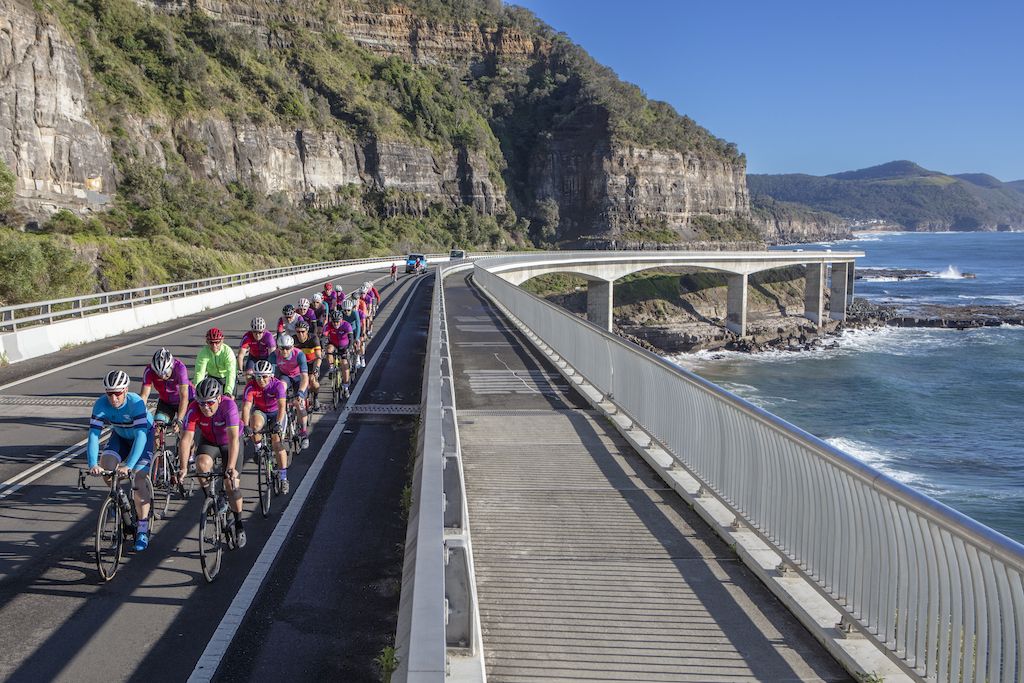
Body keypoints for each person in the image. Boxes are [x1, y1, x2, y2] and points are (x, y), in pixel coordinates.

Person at [87, 370, 155, 552]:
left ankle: (142, 528)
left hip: (143, 437)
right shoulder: (101, 404)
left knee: (139, 478)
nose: (113, 398)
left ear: (125, 390)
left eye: (117, 393)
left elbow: (141, 436)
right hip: (120, 436)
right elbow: (94, 435)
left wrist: (129, 466)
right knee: (106, 468)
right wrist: (93, 464)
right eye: (109, 393)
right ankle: (119, 498)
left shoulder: (136, 403)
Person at [178, 378, 246, 547]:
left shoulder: (228, 406)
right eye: (201, 403)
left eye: (209, 403)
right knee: (201, 464)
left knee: (231, 484)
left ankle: (239, 524)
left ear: (219, 398)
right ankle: (212, 499)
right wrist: (183, 467)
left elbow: (233, 441)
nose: (205, 407)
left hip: (231, 442)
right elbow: (186, 440)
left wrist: (230, 467)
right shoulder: (193, 409)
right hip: (210, 441)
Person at [241, 360, 290, 494]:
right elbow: (246, 407)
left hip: (276, 414)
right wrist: (245, 426)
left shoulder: (278, 385)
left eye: (264, 376)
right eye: (258, 376)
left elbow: (281, 407)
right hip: (261, 411)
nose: (261, 380)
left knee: (277, 443)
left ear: (271, 376)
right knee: (255, 425)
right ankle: (258, 449)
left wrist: (278, 424)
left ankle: (283, 477)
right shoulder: (251, 387)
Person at [140, 347, 193, 430]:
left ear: (171, 366)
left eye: (165, 373)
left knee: (185, 432)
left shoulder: (180, 368)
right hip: (166, 402)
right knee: (157, 429)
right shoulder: (149, 370)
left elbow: (184, 397)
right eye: (158, 373)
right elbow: (144, 395)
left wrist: (179, 420)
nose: (162, 376)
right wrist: (139, 415)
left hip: (186, 401)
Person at [272, 334, 310, 450]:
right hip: (285, 376)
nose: (285, 351)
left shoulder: (299, 354)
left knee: (300, 404)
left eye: (288, 348)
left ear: (292, 347)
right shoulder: (274, 355)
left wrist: (301, 393)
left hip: (298, 377)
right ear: (278, 347)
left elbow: (305, 377)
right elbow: (272, 377)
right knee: (281, 388)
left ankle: (304, 433)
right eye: (282, 348)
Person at [194, 327, 237, 397]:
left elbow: (231, 373)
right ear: (207, 342)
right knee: (210, 399)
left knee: (229, 400)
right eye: (211, 342)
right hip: (213, 378)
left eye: (217, 342)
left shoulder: (228, 352)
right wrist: (196, 389)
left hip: (227, 378)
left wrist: (228, 392)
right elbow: (199, 373)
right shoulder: (203, 352)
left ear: (222, 341)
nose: (214, 346)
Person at [323, 308, 354, 399]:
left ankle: (346, 387)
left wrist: (348, 348)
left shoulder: (346, 325)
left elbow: (351, 338)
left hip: (344, 346)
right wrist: (322, 347)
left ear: (341, 320)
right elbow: (323, 337)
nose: (336, 324)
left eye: (337, 321)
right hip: (333, 344)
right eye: (334, 322)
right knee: (329, 350)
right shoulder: (328, 325)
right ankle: (332, 369)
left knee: (344, 364)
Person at [294, 319, 323, 411]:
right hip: (299, 365)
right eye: (298, 332)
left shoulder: (313, 339)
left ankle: (315, 398)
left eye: (303, 331)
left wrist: (317, 368)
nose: (300, 334)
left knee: (313, 382)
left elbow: (318, 357)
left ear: (307, 331)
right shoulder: (293, 340)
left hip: (312, 363)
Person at [238, 317, 276, 381]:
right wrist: (240, 370)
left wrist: (272, 372)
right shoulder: (247, 337)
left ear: (263, 331)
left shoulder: (269, 337)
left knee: (268, 377)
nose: (257, 335)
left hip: (266, 357)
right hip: (253, 357)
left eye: (260, 332)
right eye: (255, 332)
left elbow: (272, 356)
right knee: (248, 376)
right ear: (251, 330)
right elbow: (240, 356)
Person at [341, 297, 364, 371]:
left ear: (351, 309)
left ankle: (357, 357)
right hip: (346, 330)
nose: (346, 312)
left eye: (348, 310)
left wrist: (357, 338)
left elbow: (358, 325)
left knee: (356, 344)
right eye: (345, 310)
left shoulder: (355, 313)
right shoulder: (341, 313)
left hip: (354, 329)